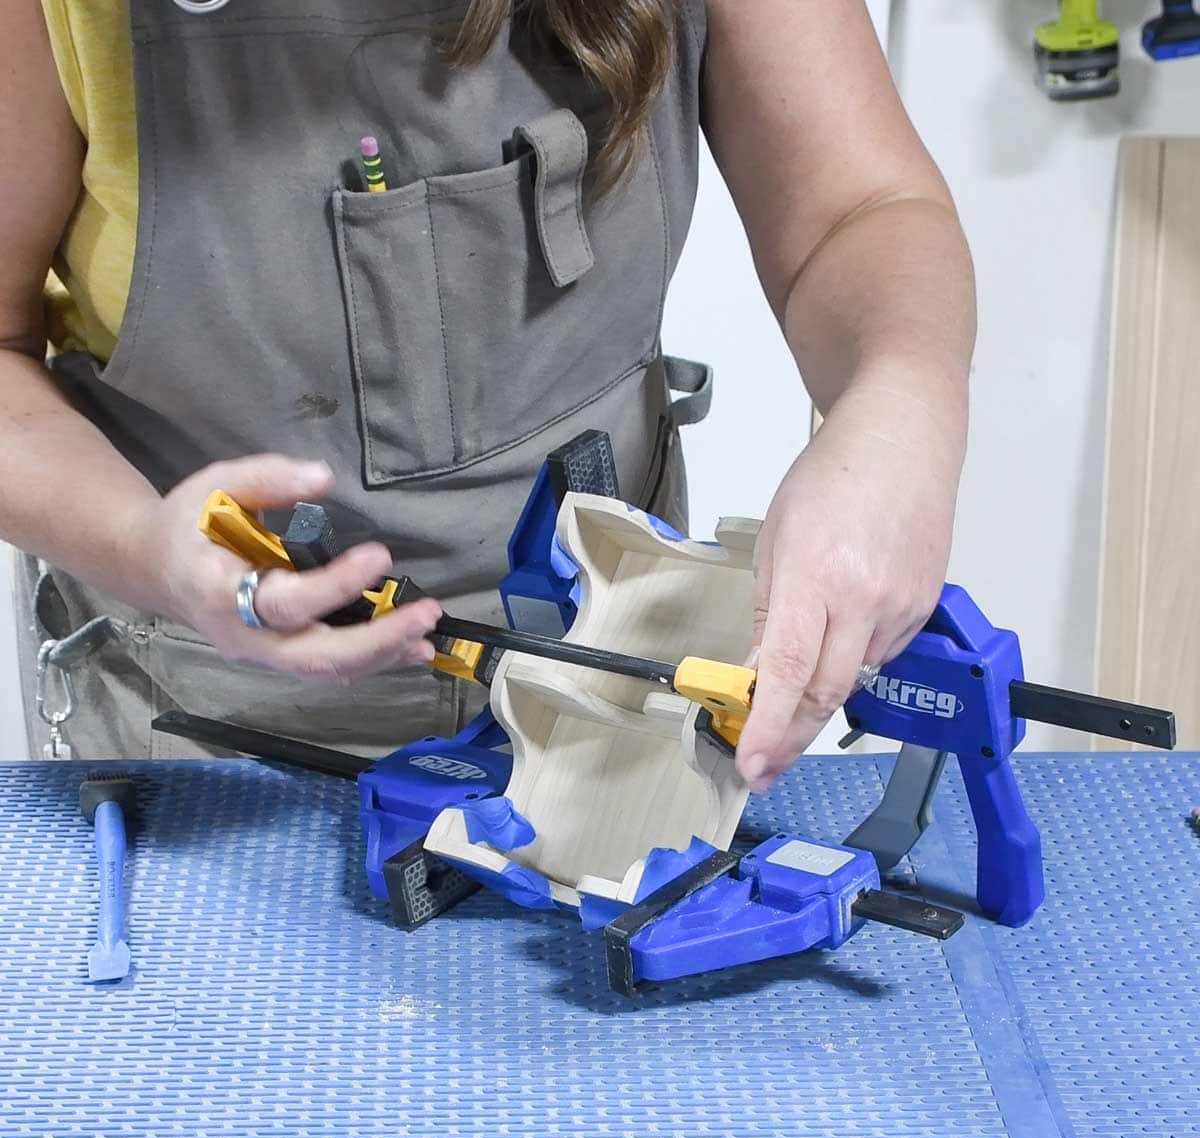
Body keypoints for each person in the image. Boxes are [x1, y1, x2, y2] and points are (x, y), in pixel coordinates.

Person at [0, 0, 973, 790]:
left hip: (621, 687)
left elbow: (859, 208)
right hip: (197, 722)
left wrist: (903, 409)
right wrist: (138, 548)